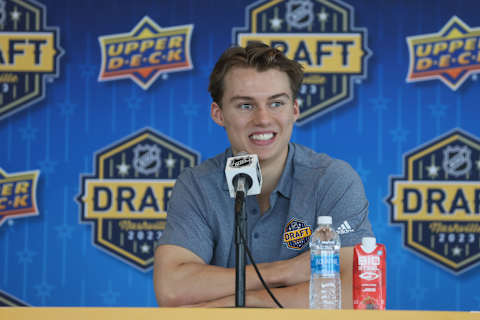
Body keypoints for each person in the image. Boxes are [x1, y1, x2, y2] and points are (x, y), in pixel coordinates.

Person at [153, 42, 373, 308]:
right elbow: (173, 289)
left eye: (276, 103)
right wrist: (285, 272)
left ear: (294, 110)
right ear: (218, 114)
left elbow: (357, 293)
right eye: (246, 105)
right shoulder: (197, 185)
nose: (263, 119)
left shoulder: (332, 179)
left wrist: (241, 302)